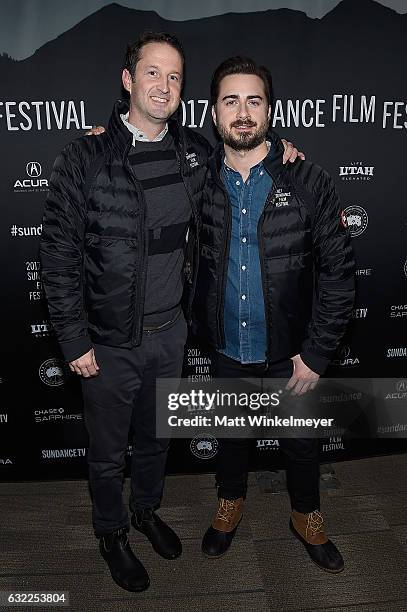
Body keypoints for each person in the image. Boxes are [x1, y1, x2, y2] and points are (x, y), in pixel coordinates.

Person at [40, 32, 301, 592]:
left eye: (175, 76)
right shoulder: (85, 156)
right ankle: (111, 532)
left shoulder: (193, 154)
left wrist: (284, 153)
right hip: (107, 343)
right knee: (108, 454)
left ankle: (145, 511)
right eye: (152, 73)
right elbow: (57, 254)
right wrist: (72, 339)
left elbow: (244, 156)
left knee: (157, 440)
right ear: (128, 79)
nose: (164, 85)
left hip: (170, 335)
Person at [192, 56, 355, 573]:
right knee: (231, 438)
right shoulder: (195, 179)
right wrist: (106, 131)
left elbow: (338, 272)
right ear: (213, 113)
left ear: (270, 109)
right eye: (231, 101)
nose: (243, 112)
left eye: (253, 101)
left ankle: (306, 514)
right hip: (226, 346)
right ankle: (230, 503)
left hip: (290, 354)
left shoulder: (308, 178)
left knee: (302, 445)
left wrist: (316, 352)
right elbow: (137, 144)